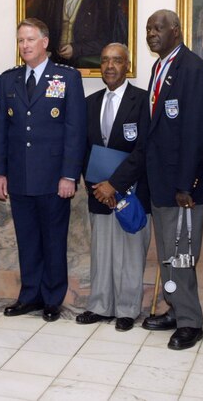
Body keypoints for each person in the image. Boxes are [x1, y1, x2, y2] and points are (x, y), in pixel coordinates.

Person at [96, 9, 203, 350]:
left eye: (158, 28)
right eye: (148, 28)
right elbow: (151, 137)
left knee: (181, 255)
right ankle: (176, 310)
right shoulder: (159, 68)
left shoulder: (193, 69)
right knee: (168, 254)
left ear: (176, 30)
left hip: (182, 188)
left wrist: (185, 185)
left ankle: (190, 322)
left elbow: (197, 133)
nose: (151, 33)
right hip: (160, 183)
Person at [0, 18, 87, 322]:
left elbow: (75, 130)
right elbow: (1, 132)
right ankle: (29, 295)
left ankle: (52, 297)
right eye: (21, 40)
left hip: (53, 178)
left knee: (53, 240)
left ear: (45, 42)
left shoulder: (67, 78)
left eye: (30, 40)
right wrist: (0, 172)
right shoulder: (9, 80)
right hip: (19, 176)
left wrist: (69, 175)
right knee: (28, 239)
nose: (24, 46)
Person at [76, 43, 150, 332]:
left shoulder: (142, 101)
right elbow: (82, 148)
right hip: (99, 193)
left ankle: (128, 309)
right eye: (105, 60)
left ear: (127, 65)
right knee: (102, 251)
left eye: (116, 61)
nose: (109, 66)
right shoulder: (90, 102)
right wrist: (96, 185)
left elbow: (144, 149)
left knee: (130, 252)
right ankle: (100, 305)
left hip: (131, 192)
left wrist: (114, 184)